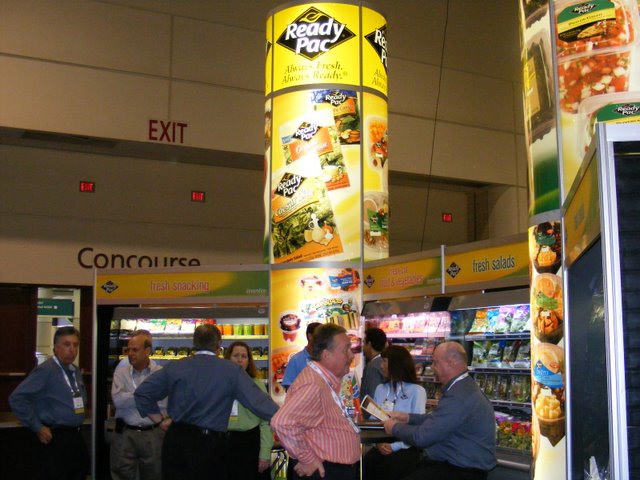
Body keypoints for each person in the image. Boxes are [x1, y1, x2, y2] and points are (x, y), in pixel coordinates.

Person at [134, 323, 278, 480]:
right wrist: (287, 419)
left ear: (194, 343)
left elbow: (142, 393)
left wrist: (160, 421)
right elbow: (260, 403)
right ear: (219, 344)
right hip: (209, 444)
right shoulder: (231, 371)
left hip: (176, 441)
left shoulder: (176, 367)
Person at [383, 341, 496, 480]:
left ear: (450, 363)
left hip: (460, 471)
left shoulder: (459, 396)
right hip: (455, 465)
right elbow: (439, 419)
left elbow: (422, 437)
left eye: (435, 362)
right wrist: (408, 418)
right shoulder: (463, 387)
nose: (432, 367)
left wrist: (394, 427)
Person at [271, 323, 360, 480]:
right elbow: (282, 422)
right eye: (346, 349)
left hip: (331, 470)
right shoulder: (314, 384)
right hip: (325, 471)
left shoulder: (324, 380)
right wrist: (308, 459)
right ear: (326, 355)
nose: (351, 355)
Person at [9, 326, 89, 480]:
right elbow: (17, 398)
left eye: (75, 345)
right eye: (67, 344)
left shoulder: (75, 371)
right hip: (56, 438)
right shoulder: (47, 370)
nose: (72, 349)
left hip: (76, 436)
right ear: (56, 348)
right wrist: (37, 427)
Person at [110, 329, 170, 480]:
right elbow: (118, 400)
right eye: (128, 350)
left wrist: (131, 396)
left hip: (153, 434)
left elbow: (163, 404)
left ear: (147, 351)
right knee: (122, 474)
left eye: (135, 350)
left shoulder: (160, 374)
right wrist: (145, 396)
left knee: (155, 474)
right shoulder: (121, 373)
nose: (130, 353)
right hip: (125, 434)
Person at [363, 345, 426, 480]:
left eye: (385, 361)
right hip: (381, 445)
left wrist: (394, 446)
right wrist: (377, 443)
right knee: (366, 464)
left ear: (396, 363)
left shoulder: (417, 391)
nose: (381, 366)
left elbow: (417, 428)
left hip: (405, 447)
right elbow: (374, 420)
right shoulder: (380, 389)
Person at [225, 341, 274, 480]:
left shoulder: (257, 385)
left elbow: (266, 423)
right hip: (225, 443)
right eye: (236, 355)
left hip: (250, 444)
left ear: (249, 361)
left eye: (244, 356)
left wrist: (265, 453)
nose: (240, 360)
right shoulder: (220, 383)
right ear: (228, 358)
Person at [281, 321, 322, 390]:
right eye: (321, 336)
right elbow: (288, 386)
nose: (324, 339)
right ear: (310, 336)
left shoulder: (327, 358)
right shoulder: (296, 360)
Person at [360, 327, 387, 401]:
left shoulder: (372, 367)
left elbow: (371, 398)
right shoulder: (384, 362)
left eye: (364, 343)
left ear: (369, 344)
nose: (363, 347)